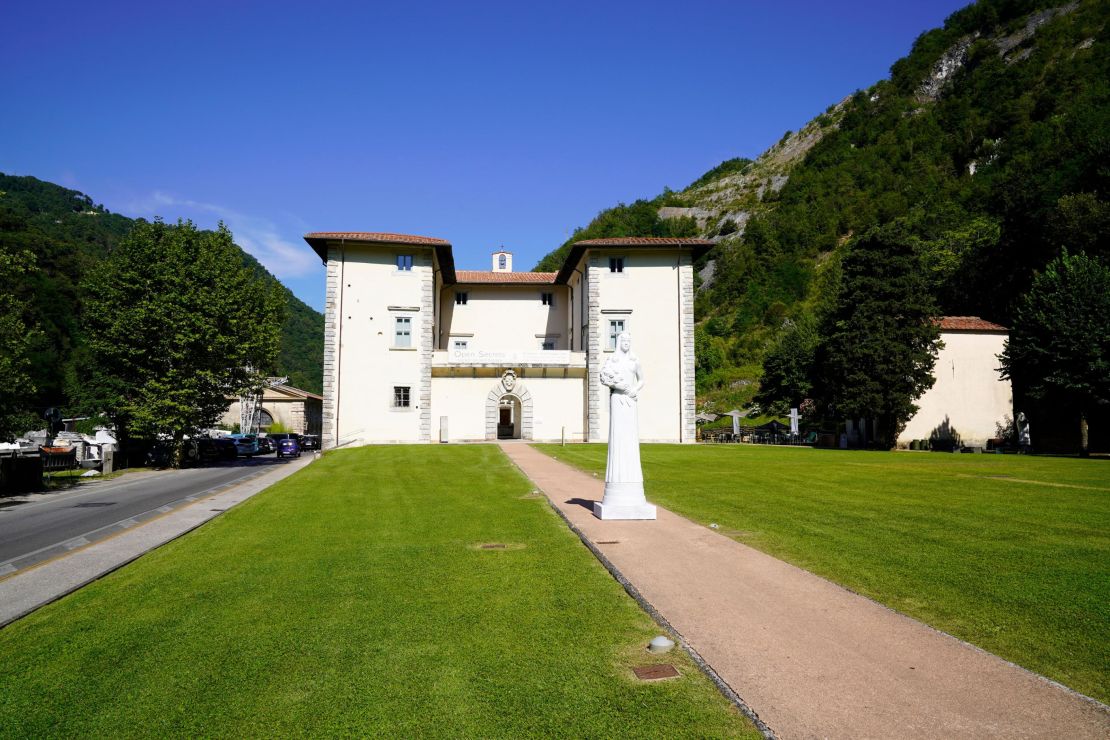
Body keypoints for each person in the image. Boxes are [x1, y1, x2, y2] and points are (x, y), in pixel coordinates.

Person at [595, 332, 653, 519]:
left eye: (629, 341)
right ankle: (616, 486)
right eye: (624, 341)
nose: (627, 343)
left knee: (630, 438)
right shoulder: (612, 360)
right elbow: (604, 377)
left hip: (630, 399)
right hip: (618, 398)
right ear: (619, 342)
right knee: (618, 437)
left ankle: (633, 485)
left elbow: (642, 379)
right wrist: (621, 387)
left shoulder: (634, 361)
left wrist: (633, 389)